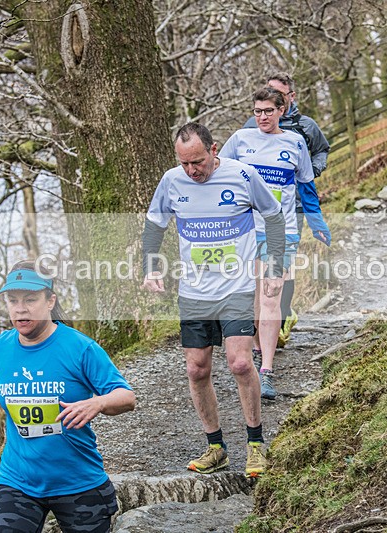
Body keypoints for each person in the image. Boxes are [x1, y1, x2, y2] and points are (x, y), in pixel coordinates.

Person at [0, 261, 136, 533]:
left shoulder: (79, 348)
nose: (20, 308)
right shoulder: (2, 346)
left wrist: (98, 402)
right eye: (13, 300)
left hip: (78, 484)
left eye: (30, 299)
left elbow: (127, 397)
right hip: (18, 482)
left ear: (50, 300)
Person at [141, 122, 285, 476]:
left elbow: (274, 216)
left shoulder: (243, 175)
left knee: (238, 362)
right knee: (196, 368)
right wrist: (151, 266)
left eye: (199, 162)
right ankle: (216, 447)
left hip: (236, 287)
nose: (192, 170)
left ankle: (255, 444)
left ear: (214, 149)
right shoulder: (172, 181)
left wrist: (275, 266)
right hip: (193, 292)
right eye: (185, 163)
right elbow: (154, 224)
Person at [222, 87, 331, 400]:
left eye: (268, 111)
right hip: (243, 232)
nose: (262, 117)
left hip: (280, 232)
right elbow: (215, 173)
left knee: (271, 296)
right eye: (257, 111)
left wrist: (316, 220)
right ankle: (256, 354)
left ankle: (266, 372)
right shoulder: (241, 140)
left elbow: (306, 187)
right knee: (253, 299)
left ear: (282, 110)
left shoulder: (295, 142)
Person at [243, 72, 330, 348]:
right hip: (254, 218)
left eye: (279, 96)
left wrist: (310, 172)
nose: (267, 108)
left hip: (294, 209)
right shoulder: (250, 127)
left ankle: (280, 318)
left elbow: (321, 152)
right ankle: (261, 333)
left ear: (289, 99)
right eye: (268, 93)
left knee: (282, 271)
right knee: (256, 277)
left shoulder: (305, 128)